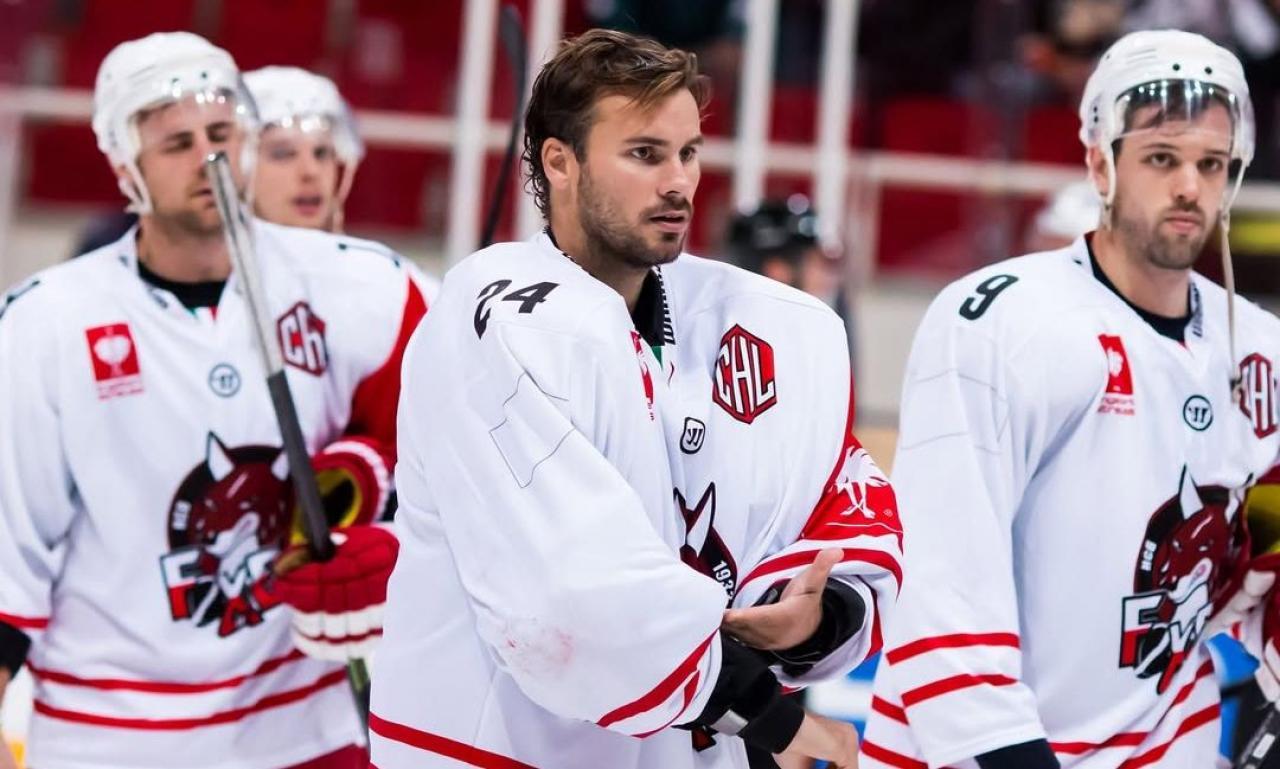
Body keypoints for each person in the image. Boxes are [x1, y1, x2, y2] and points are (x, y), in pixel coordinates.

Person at [370, 29, 899, 769]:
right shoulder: (496, 317)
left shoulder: (762, 324)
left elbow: (844, 503)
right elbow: (571, 601)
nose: (679, 182)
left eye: (688, 154)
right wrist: (775, 719)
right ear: (560, 161)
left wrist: (816, 611)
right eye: (645, 154)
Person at [0, 31, 427, 769]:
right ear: (125, 164)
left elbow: (446, 457)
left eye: (223, 132)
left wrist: (381, 525)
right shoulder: (45, 323)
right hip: (110, 735)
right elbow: (9, 560)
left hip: (308, 725)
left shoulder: (366, 287)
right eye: (176, 142)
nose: (208, 156)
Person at [861, 29, 1280, 769]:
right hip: (975, 752)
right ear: (1099, 161)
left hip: (1165, 742)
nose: (1190, 187)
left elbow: (1262, 569)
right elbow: (942, 583)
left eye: (1211, 164)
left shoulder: (1261, 349)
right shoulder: (1000, 320)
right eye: (1161, 158)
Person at [243, 66, 363, 233]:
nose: (311, 172)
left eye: (321, 153)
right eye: (283, 154)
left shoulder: (374, 259)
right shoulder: (200, 260)